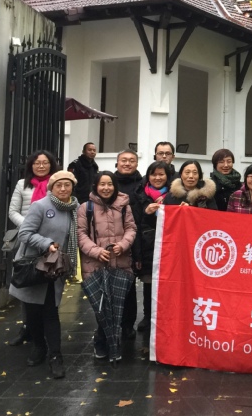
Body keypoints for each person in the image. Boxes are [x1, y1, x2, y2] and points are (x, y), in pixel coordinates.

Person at [10, 170, 80, 379]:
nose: (63, 189)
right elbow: (25, 233)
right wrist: (47, 243)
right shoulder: (40, 206)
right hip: (35, 267)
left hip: (55, 270)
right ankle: (39, 347)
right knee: (33, 312)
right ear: (51, 187)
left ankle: (55, 356)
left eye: (67, 185)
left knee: (51, 312)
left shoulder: (75, 209)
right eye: (59, 185)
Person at [77, 171, 137, 361]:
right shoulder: (86, 208)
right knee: (101, 306)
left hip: (120, 263)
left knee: (117, 305)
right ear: (95, 186)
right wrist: (96, 251)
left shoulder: (124, 206)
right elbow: (81, 234)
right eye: (102, 184)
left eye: (109, 184)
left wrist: (123, 245)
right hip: (95, 265)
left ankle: (111, 343)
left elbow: (131, 228)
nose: (106, 188)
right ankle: (101, 341)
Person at [7, 149, 59, 346]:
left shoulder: (56, 185)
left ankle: (45, 327)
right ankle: (27, 327)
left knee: (48, 285)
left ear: (51, 165)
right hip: (27, 240)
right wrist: (29, 226)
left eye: (45, 162)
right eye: (37, 163)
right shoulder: (22, 184)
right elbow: (13, 211)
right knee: (27, 283)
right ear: (31, 165)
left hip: (51, 241)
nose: (41, 166)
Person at [133, 160, 173, 334]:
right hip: (147, 246)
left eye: (161, 174)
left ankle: (166, 317)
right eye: (154, 174)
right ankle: (148, 316)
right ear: (148, 176)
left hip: (169, 246)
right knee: (149, 285)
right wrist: (147, 214)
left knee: (168, 285)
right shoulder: (140, 194)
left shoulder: (174, 195)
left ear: (167, 176)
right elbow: (135, 224)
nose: (157, 178)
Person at [112, 149, 143, 340]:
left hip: (135, 238)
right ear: (117, 163)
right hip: (111, 239)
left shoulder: (142, 184)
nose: (127, 163)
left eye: (131, 160)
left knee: (129, 286)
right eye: (123, 160)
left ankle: (127, 325)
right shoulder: (109, 183)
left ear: (136, 164)